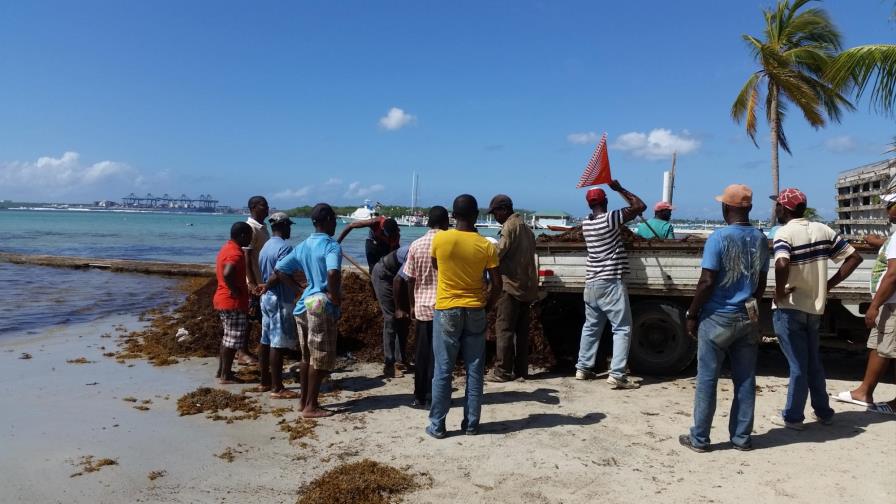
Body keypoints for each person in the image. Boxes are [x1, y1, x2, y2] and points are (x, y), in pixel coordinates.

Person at [679, 184, 768, 453]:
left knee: (708, 379)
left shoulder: (718, 238)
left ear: (725, 207)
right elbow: (761, 282)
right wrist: (751, 305)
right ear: (749, 207)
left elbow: (706, 281)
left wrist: (692, 314)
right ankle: (742, 437)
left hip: (717, 317)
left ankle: (700, 438)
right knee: (745, 379)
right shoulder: (761, 238)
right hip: (747, 316)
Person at [770, 188, 863, 429]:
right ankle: (823, 412)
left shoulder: (785, 233)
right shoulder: (823, 229)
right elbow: (854, 258)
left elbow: (781, 262)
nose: (776, 209)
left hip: (790, 306)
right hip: (815, 307)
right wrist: (828, 284)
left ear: (786, 208)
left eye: (777, 205)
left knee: (798, 365)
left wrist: (779, 292)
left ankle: (793, 417)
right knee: (813, 362)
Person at [426, 195, 501, 439]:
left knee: (443, 370)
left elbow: (437, 267)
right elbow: (497, 284)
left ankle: (437, 425)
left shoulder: (440, 239)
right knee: (475, 369)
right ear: (477, 215)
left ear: (453, 215)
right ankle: (471, 424)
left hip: (447, 308)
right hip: (475, 308)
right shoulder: (486, 245)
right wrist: (486, 307)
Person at [575, 180, 646, 389]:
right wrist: (620, 189)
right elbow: (640, 206)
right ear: (605, 201)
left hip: (592, 283)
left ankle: (583, 368)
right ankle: (617, 375)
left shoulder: (586, 223)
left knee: (591, 327)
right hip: (610, 282)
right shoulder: (610, 219)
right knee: (622, 328)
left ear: (589, 205)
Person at [274, 203, 342, 418]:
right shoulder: (331, 246)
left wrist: (297, 290)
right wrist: (334, 296)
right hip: (320, 303)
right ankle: (311, 406)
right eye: (334, 220)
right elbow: (332, 273)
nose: (336, 224)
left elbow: (280, 269)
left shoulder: (304, 245)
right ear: (329, 220)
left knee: (306, 357)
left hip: (304, 303)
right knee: (320, 358)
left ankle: (303, 400)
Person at [834, 191, 896, 415]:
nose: (887, 210)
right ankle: (864, 392)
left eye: (890, 205)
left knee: (889, 348)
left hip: (891, 303)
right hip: (889, 303)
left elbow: (893, 275)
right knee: (881, 348)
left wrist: (875, 305)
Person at [394, 206, 451, 407]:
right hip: (445, 306)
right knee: (442, 356)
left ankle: (419, 396)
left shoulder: (416, 245)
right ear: (446, 222)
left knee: (422, 354)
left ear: (427, 222)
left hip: (423, 307)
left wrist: (411, 305)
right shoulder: (450, 244)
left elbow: (409, 279)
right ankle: (437, 395)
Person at [485, 194, 538, 382]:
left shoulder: (509, 226)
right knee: (522, 332)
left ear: (504, 210)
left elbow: (499, 253)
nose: (494, 217)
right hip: (527, 286)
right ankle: (522, 370)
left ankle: (503, 371)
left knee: (504, 329)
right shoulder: (526, 227)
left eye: (495, 213)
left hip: (511, 285)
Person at [255, 212, 301, 399]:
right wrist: (298, 289)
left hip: (266, 299)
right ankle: (277, 387)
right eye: (289, 226)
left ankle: (264, 381)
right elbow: (279, 272)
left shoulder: (266, 246)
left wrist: (265, 286)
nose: (290, 229)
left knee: (265, 340)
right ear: (282, 227)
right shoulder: (285, 248)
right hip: (279, 298)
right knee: (278, 343)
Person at [212, 222, 254, 385]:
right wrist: (235, 290)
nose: (251, 238)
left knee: (227, 338)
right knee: (232, 340)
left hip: (223, 299)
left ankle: (222, 370)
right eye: (250, 235)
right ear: (242, 235)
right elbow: (228, 272)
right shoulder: (235, 253)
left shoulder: (226, 247)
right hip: (232, 301)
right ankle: (226, 375)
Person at [371, 244, 411, 378]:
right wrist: (399, 308)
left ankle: (401, 361)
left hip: (397, 277)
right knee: (391, 318)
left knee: (405, 320)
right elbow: (397, 281)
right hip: (384, 274)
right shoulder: (416, 252)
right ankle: (389, 364)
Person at [241, 195, 270, 364]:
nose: (267, 208)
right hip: (253, 281)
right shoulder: (250, 228)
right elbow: (246, 255)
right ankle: (243, 351)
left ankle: (252, 349)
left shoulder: (262, 227)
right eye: (263, 206)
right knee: (250, 317)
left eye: (267, 205)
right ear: (253, 207)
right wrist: (251, 283)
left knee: (256, 316)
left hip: (261, 279)